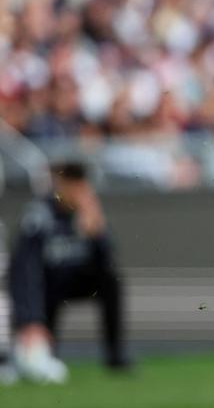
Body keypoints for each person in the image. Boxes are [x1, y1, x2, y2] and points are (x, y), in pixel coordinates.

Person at [7, 161, 128, 382]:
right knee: (36, 357)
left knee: (111, 281)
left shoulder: (88, 212)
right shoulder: (40, 215)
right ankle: (40, 348)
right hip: (46, 286)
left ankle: (115, 357)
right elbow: (24, 270)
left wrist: (97, 234)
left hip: (75, 280)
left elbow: (107, 262)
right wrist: (29, 319)